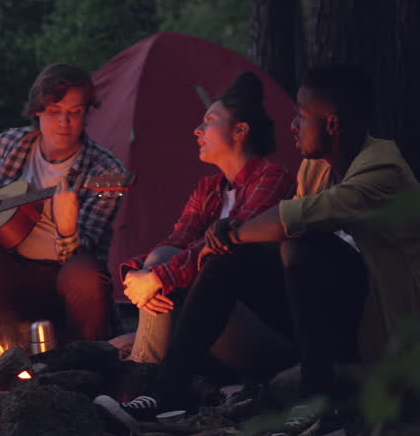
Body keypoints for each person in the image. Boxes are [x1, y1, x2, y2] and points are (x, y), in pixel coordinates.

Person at [135, 63, 420, 419]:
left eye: (301, 116)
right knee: (231, 260)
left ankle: (316, 403)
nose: (292, 125)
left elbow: (294, 220)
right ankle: (167, 392)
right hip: (334, 324)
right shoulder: (314, 168)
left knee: (301, 247)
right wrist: (230, 240)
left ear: (332, 124)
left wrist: (231, 231)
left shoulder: (382, 171)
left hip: (389, 334)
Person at [0, 63, 128, 346]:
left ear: (86, 114)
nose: (64, 122)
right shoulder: (10, 144)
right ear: (37, 111)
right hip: (9, 271)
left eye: (75, 113)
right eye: (54, 112)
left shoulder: (105, 171)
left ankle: (88, 363)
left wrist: (68, 228)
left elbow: (82, 257)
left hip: (62, 281)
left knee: (85, 274)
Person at [120, 72, 295, 365]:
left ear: (240, 131)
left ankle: (144, 375)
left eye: (210, 120)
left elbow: (224, 249)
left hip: (261, 330)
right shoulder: (208, 190)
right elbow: (175, 243)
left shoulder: (272, 180)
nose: (197, 130)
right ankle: (144, 366)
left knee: (163, 275)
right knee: (158, 264)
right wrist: (134, 275)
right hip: (208, 327)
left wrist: (158, 278)